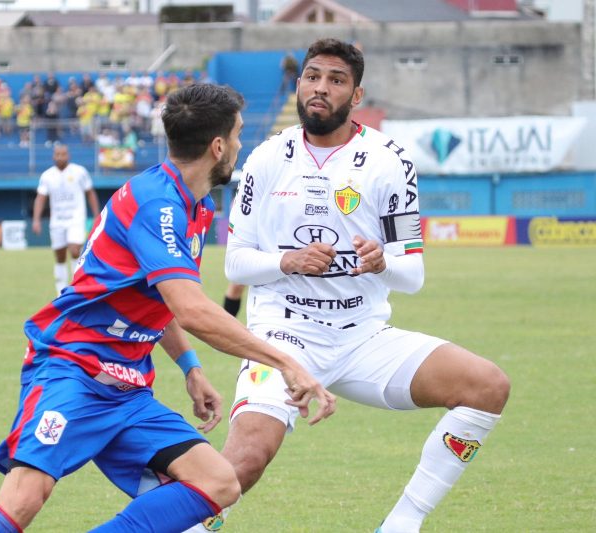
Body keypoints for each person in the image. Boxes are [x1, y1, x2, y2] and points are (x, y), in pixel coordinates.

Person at [0, 84, 336, 533]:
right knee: (23, 499)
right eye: (236, 136)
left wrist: (190, 367)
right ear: (218, 147)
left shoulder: (192, 204)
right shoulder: (157, 204)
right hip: (73, 368)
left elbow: (162, 299)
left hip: (127, 388)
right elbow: (192, 309)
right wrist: (285, 362)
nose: (239, 145)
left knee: (218, 483)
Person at [186, 38, 511, 533]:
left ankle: (402, 524)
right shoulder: (266, 159)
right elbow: (236, 262)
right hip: (283, 335)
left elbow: (413, 275)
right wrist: (288, 260)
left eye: (336, 80)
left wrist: (382, 263)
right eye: (313, 76)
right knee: (245, 461)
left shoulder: (389, 161)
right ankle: (183, 524)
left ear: (356, 96)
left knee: (487, 386)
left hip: (362, 338)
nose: (321, 88)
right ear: (299, 85)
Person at [32, 143, 101, 295]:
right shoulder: (47, 175)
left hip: (75, 218)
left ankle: (76, 288)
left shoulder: (79, 172)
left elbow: (90, 193)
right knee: (60, 255)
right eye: (58, 154)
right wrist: (36, 219)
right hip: (57, 221)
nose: (60, 157)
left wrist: (97, 215)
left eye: (63, 154)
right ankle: (61, 292)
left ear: (68, 155)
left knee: (75, 249)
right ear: (53, 156)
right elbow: (40, 198)